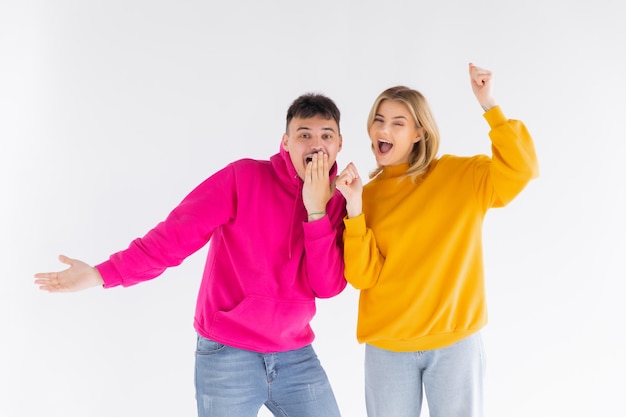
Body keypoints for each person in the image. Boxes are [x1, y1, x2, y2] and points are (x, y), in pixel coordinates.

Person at [34, 93, 348, 417]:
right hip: (229, 352)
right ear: (285, 142)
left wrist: (316, 213)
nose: (315, 144)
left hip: (295, 353)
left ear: (339, 143)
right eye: (304, 135)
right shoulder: (243, 178)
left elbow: (326, 287)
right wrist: (100, 274)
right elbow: (174, 236)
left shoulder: (337, 202)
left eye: (326, 135)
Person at [335, 63, 539, 417]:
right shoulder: (364, 197)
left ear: (419, 133)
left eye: (398, 123)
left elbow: (522, 168)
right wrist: (354, 210)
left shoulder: (460, 176)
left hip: (455, 344)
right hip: (388, 349)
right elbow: (362, 277)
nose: (383, 129)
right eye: (378, 120)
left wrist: (489, 104)